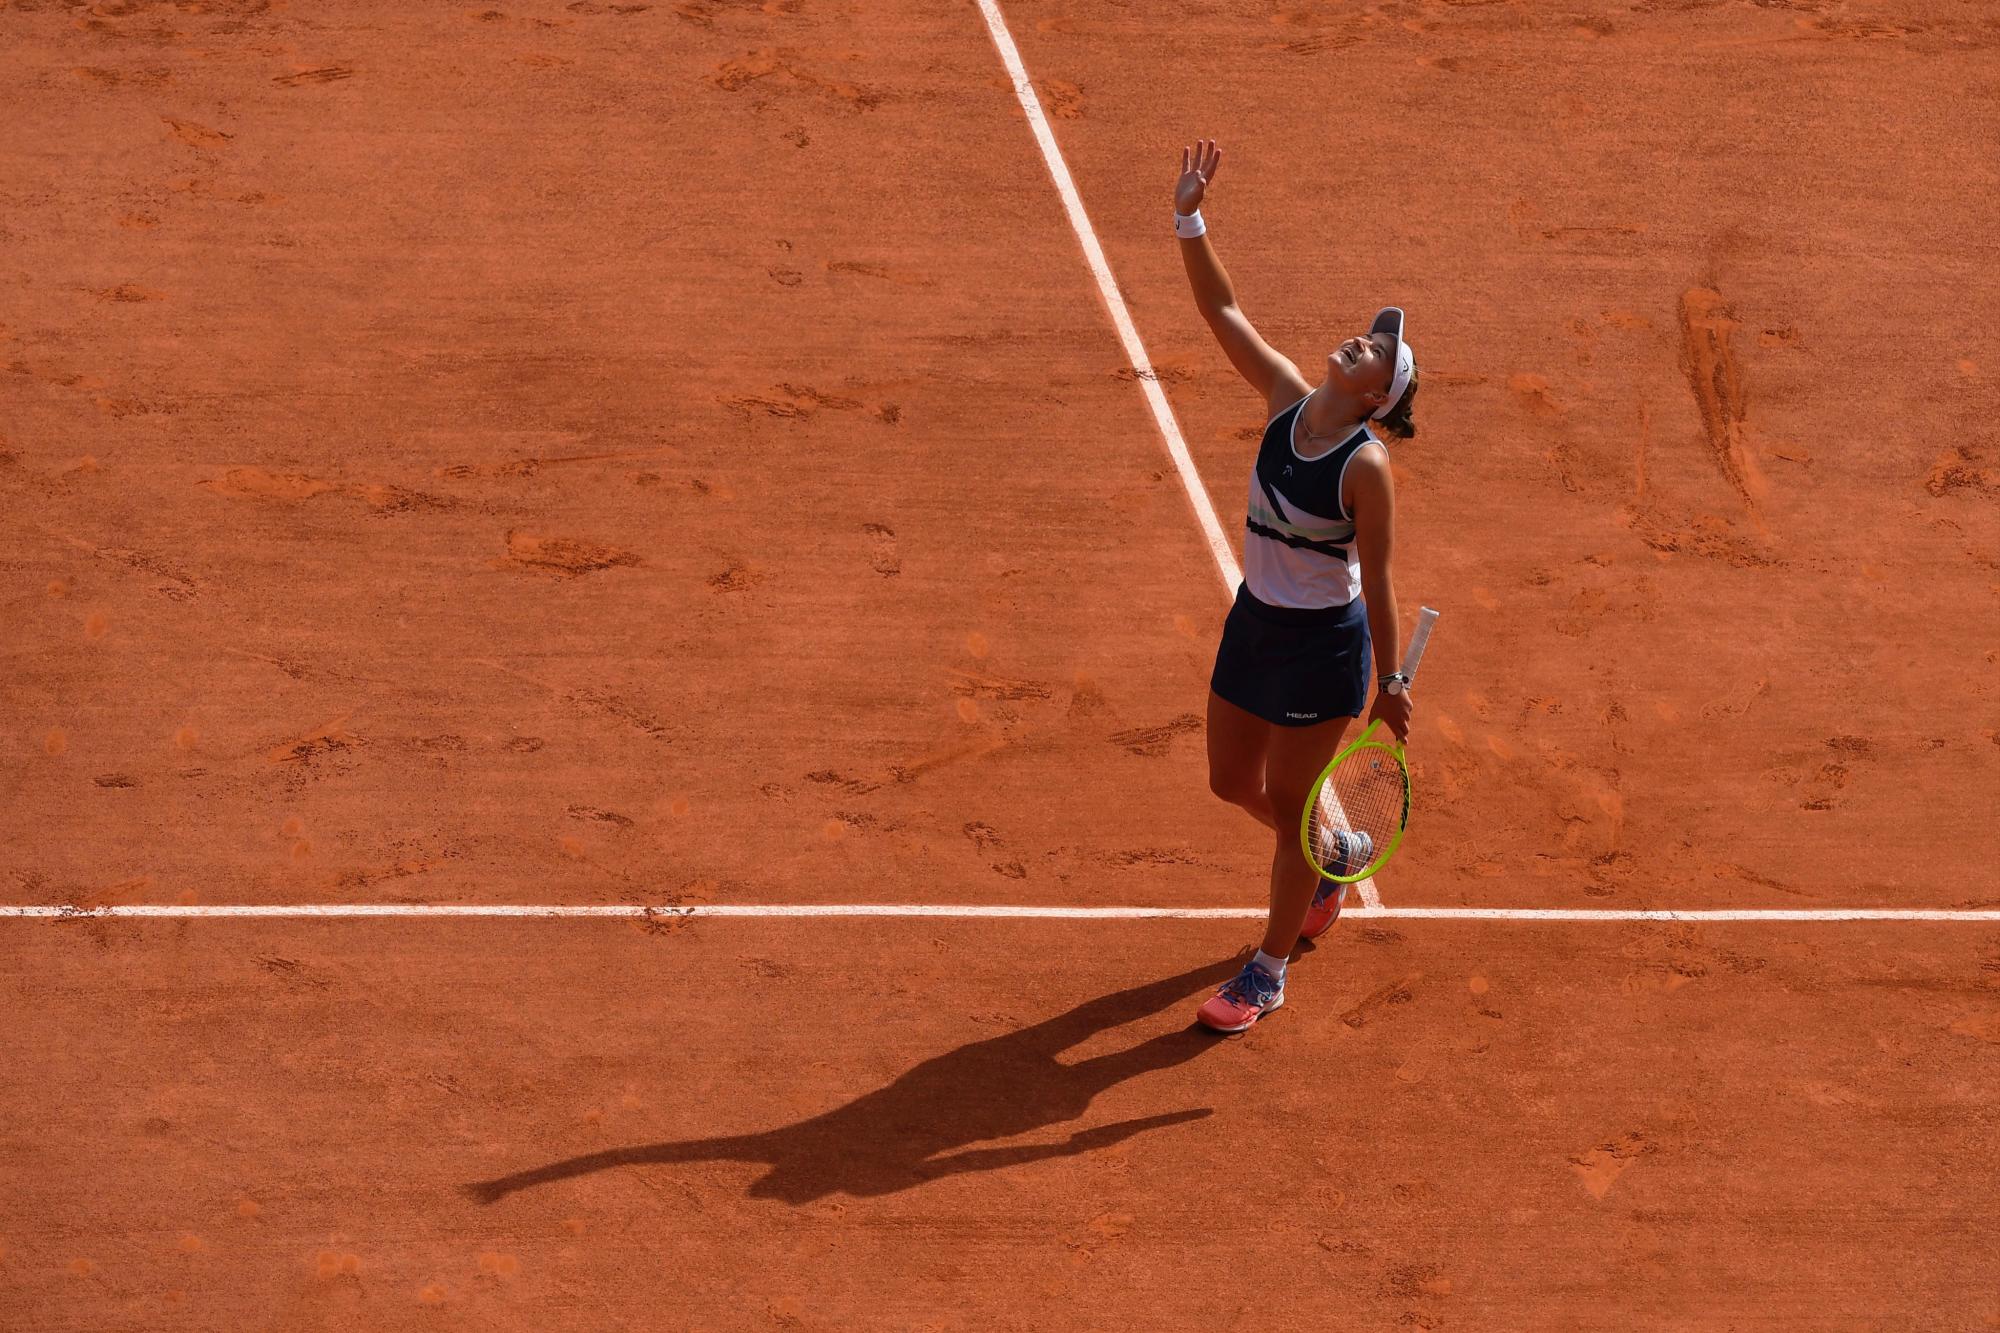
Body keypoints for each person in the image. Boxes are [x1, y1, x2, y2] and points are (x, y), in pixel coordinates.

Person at [1174, 139, 1419, 1033]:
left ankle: (1267, 969)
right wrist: (1190, 218)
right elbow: (1225, 310)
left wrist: (1390, 684)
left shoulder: (1366, 468)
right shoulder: (1285, 400)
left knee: (1287, 811)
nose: (1365, 340)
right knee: (1229, 780)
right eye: (1370, 337)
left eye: (1377, 355)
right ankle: (1333, 857)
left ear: (1372, 399)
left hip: (1323, 651)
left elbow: (1382, 580)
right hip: (1255, 627)